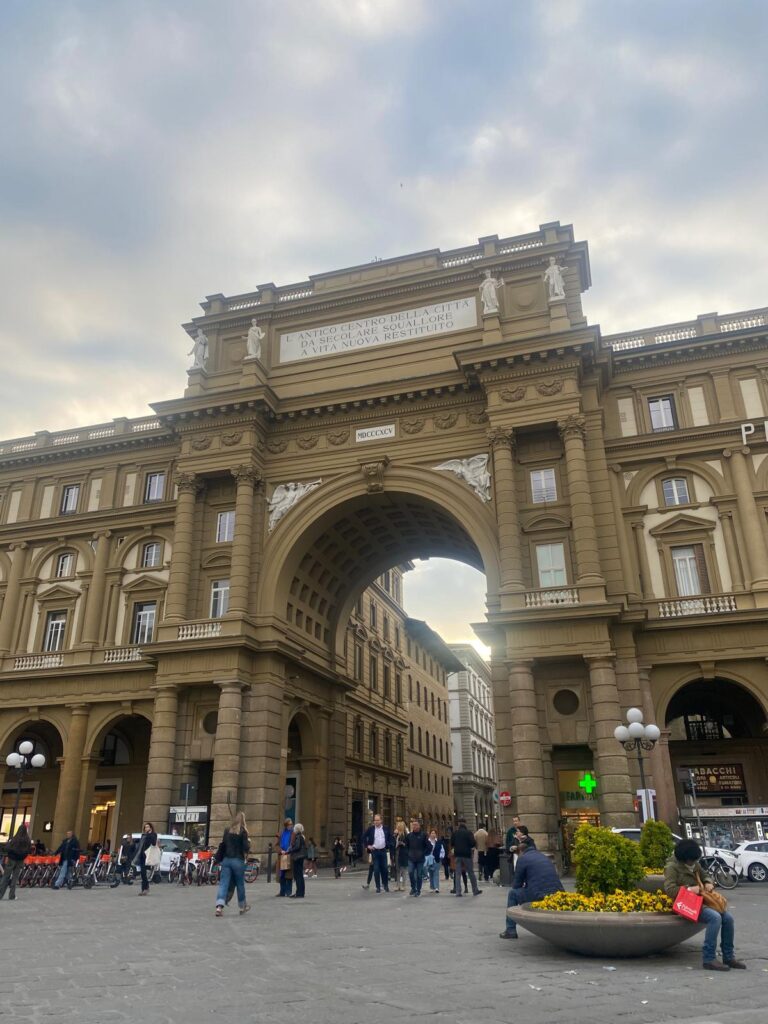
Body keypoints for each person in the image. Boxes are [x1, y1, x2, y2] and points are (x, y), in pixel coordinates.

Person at [664, 839, 746, 970]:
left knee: (728, 918)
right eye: (691, 860)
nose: (693, 863)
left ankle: (729, 956)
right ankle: (709, 958)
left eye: (695, 860)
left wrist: (708, 882)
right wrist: (689, 889)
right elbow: (669, 890)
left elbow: (705, 875)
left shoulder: (695, 864)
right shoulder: (671, 867)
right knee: (715, 918)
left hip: (702, 901)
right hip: (686, 904)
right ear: (684, 858)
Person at [500, 837, 563, 939]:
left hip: (539, 894)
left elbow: (517, 884)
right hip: (558, 893)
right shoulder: (543, 856)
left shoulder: (522, 859)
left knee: (513, 894)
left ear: (521, 851)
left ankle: (510, 930)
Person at [215, 811, 250, 917]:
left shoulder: (227, 830)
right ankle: (242, 906)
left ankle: (219, 906)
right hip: (238, 860)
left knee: (223, 883)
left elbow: (223, 844)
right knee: (240, 884)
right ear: (243, 820)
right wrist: (248, 842)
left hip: (226, 860)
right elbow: (246, 847)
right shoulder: (243, 831)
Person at [0, 824, 32, 900]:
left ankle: (0, 894)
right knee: (15, 878)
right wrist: (22, 856)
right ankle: (12, 895)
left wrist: (11, 853)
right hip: (20, 861)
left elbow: (7, 848)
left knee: (6, 876)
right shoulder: (27, 840)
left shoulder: (15, 838)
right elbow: (28, 850)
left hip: (11, 859)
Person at [451, 819, 482, 897]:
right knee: (470, 872)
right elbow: (473, 843)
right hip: (467, 855)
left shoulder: (455, 833)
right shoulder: (468, 833)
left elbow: (452, 843)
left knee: (458, 873)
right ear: (465, 825)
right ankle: (475, 890)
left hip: (457, 854)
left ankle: (458, 892)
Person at [362, 813, 392, 893]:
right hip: (375, 851)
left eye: (378, 820)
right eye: (375, 820)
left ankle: (385, 885)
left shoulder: (386, 828)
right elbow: (363, 836)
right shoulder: (371, 829)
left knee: (385, 869)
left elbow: (390, 837)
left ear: (381, 820)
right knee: (376, 870)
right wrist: (367, 846)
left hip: (383, 851)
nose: (376, 822)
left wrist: (388, 844)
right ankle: (378, 887)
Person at [405, 819, 431, 897]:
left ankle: (418, 890)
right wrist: (408, 853)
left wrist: (424, 853)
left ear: (419, 826)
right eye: (413, 825)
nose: (414, 826)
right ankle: (413, 888)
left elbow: (429, 846)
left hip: (420, 859)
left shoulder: (423, 835)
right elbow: (406, 846)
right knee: (410, 872)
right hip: (411, 858)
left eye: (416, 825)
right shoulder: (409, 836)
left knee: (419, 875)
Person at [135, 822, 158, 895]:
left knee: (144, 873)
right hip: (142, 855)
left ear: (150, 828)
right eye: (145, 827)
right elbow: (140, 845)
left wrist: (149, 834)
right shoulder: (143, 835)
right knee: (142, 873)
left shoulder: (153, 835)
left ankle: (145, 889)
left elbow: (154, 843)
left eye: (148, 827)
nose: (146, 828)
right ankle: (145, 888)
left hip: (148, 856)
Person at [276, 817, 294, 897]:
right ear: (286, 825)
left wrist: (288, 850)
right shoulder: (281, 833)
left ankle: (288, 891)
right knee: (282, 875)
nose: (291, 826)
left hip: (289, 856)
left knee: (289, 875)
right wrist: (281, 850)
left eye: (291, 824)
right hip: (282, 856)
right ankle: (282, 892)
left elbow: (293, 844)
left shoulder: (293, 833)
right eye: (289, 824)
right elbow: (277, 845)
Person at [289, 823, 307, 899]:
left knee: (298, 875)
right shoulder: (301, 836)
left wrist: (290, 850)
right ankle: (300, 892)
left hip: (297, 857)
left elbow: (297, 847)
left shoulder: (298, 837)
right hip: (301, 857)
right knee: (300, 875)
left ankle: (299, 893)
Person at [427, 829, 446, 893]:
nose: (433, 834)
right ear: (430, 834)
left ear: (436, 834)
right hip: (429, 859)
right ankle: (432, 887)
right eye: (432, 833)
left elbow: (442, 850)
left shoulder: (439, 842)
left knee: (436, 873)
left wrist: (441, 857)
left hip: (436, 859)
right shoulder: (427, 842)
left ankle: (436, 887)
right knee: (431, 873)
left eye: (434, 833)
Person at [393, 820, 409, 891]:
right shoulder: (396, 835)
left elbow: (408, 845)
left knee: (404, 870)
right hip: (397, 853)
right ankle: (398, 885)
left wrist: (403, 844)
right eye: (398, 827)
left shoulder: (406, 835)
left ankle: (403, 885)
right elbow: (393, 843)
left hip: (403, 854)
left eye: (399, 827)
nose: (398, 829)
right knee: (398, 870)